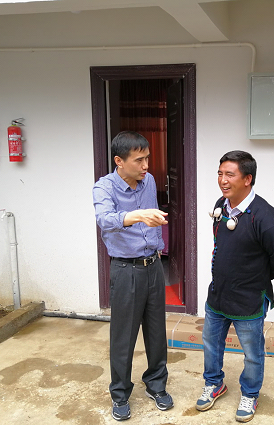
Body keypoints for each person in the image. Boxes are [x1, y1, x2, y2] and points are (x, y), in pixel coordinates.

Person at [196, 150, 274, 422]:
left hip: (249, 299)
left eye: (229, 175)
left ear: (247, 179)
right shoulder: (221, 205)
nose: (222, 180)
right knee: (211, 344)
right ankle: (214, 383)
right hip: (218, 294)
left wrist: (254, 280)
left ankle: (250, 393)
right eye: (220, 174)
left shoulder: (265, 217)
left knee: (252, 353)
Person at [93, 131, 173, 421]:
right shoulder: (104, 187)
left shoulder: (148, 181)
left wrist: (157, 245)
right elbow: (105, 220)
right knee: (123, 336)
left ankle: (156, 385)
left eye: (147, 158)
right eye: (139, 160)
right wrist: (139, 215)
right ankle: (120, 394)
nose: (146, 166)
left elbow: (152, 220)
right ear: (119, 161)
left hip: (153, 265)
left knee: (156, 331)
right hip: (126, 269)